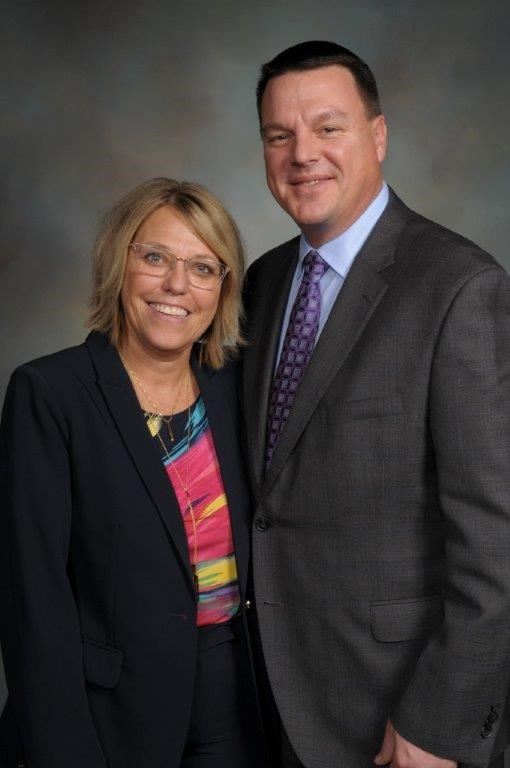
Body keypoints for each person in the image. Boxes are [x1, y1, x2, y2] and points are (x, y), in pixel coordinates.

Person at [242, 40, 510, 768]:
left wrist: (442, 721)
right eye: (279, 135)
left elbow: (496, 541)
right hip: (271, 701)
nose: (303, 154)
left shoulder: (459, 287)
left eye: (328, 128)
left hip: (401, 719)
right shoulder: (261, 285)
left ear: (379, 135)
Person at [0, 177, 267, 768]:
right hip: (108, 710)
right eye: (156, 258)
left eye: (203, 268)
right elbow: (33, 601)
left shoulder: (236, 388)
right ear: (119, 263)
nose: (177, 285)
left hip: (234, 705)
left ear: (222, 290)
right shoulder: (50, 393)